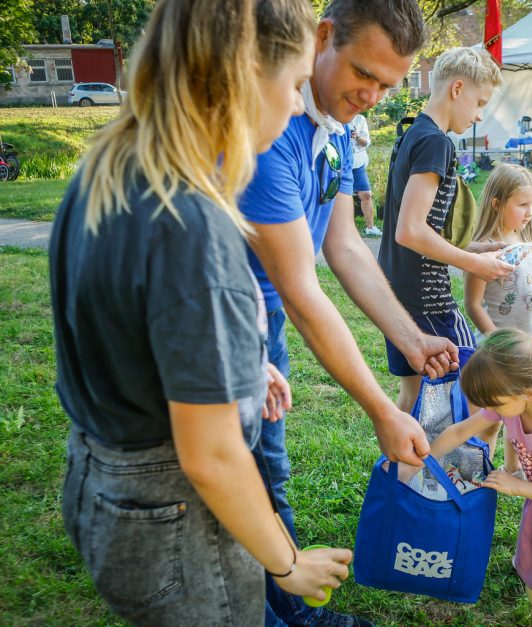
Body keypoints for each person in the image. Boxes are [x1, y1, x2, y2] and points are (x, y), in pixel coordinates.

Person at [50, 0, 352, 623]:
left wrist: (237, 364)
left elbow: (136, 325)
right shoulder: (194, 230)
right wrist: (288, 564)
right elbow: (210, 456)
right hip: (175, 527)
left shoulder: (111, 167)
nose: (298, 104)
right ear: (241, 76)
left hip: (102, 488)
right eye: (294, 83)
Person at [238, 2, 448, 624]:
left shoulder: (344, 126)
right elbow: (301, 288)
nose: (374, 96)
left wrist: (409, 338)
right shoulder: (271, 128)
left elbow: (345, 243)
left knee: (267, 468)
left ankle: (293, 611)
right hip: (221, 321)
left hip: (264, 325)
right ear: (322, 37)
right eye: (365, 74)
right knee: (234, 475)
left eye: (388, 84)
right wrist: (383, 409)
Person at [398, 329, 532, 627]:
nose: (492, 411)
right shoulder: (512, 406)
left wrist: (518, 485)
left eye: (495, 403)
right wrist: (421, 461)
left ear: (526, 392)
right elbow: (461, 431)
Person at [378, 47, 511, 419]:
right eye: (480, 102)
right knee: (474, 388)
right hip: (428, 301)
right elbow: (410, 230)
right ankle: (451, 472)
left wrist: (480, 247)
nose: (480, 114)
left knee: (414, 396)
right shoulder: (437, 142)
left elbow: (422, 228)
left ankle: (399, 474)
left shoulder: (411, 133)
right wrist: (474, 263)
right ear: (457, 89)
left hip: (396, 292)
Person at [465, 163, 532, 339]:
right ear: (497, 204)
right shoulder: (485, 248)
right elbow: (472, 304)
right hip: (496, 350)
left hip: (525, 343)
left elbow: (522, 282)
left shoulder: (523, 240)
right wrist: (497, 341)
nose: (530, 212)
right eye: (522, 205)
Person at [349, 113, 381, 236]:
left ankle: (370, 227)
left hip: (357, 162)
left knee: (366, 194)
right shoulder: (334, 117)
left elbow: (366, 142)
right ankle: (348, 228)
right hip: (340, 163)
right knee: (345, 197)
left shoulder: (359, 119)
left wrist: (356, 136)